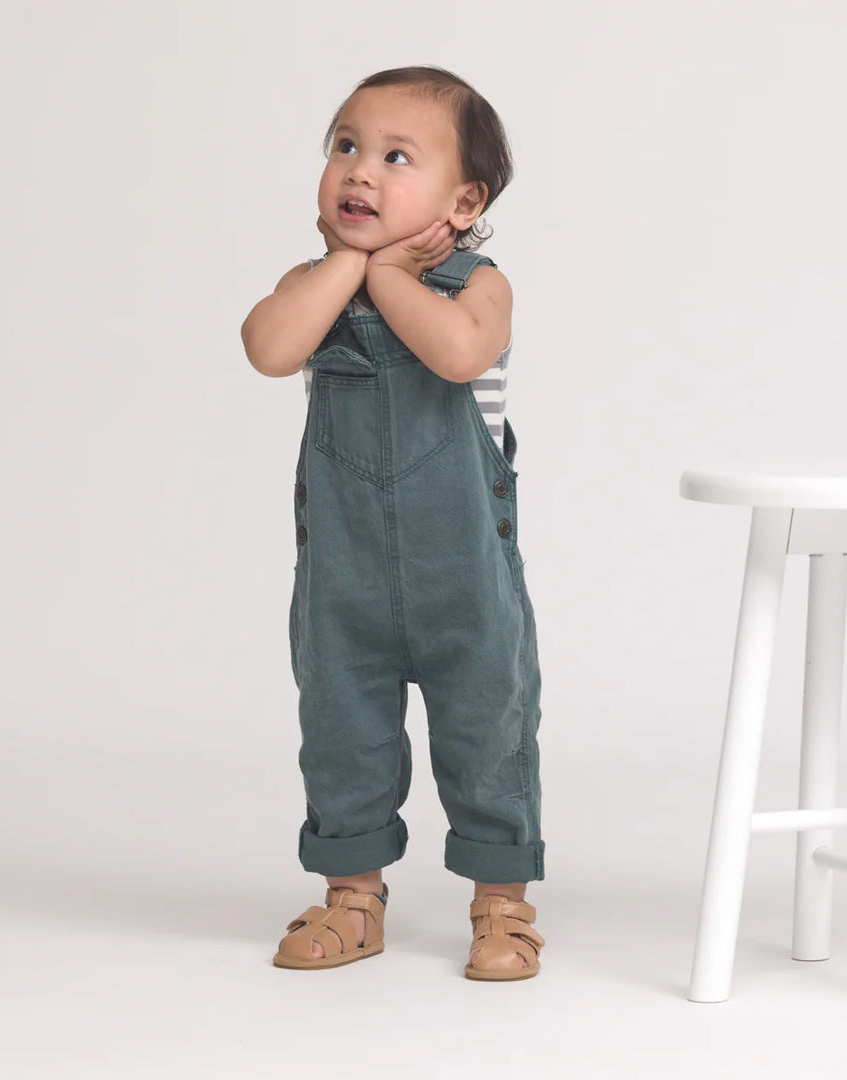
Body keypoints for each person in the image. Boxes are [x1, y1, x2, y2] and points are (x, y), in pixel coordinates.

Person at [240, 65, 545, 980]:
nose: (360, 173)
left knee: (487, 732)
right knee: (343, 730)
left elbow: (456, 356)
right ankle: (353, 897)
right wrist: (347, 266)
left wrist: (384, 274)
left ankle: (501, 904)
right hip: (345, 578)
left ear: (463, 202)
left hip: (466, 584)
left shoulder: (477, 287)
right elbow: (267, 348)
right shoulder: (315, 284)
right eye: (345, 148)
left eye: (395, 157)